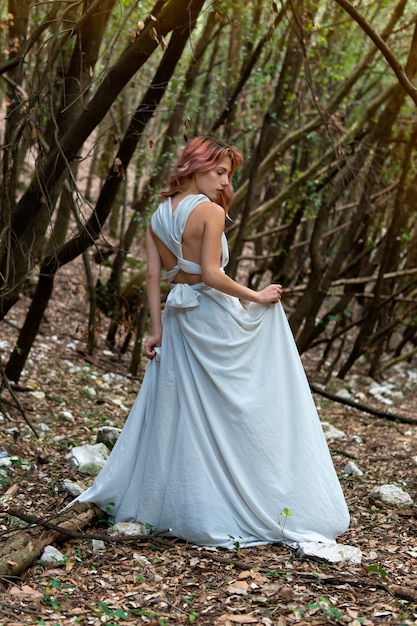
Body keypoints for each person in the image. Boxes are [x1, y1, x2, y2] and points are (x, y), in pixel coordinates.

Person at [72, 135, 350, 549]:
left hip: (178, 318)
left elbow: (153, 278)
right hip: (211, 315)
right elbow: (211, 274)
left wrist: (156, 329)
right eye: (218, 171)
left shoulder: (157, 216)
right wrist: (257, 296)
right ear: (195, 166)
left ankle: (185, 501)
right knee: (239, 404)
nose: (223, 182)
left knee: (186, 409)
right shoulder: (209, 212)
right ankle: (244, 495)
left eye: (227, 175)